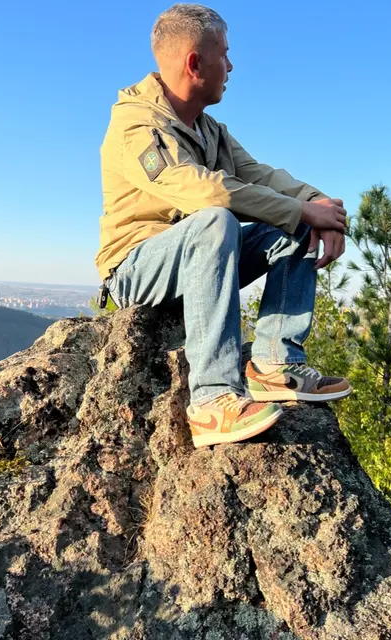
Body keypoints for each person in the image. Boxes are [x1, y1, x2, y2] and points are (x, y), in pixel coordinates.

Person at [95, 4, 352, 448]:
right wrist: (300, 210)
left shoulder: (211, 130)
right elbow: (199, 190)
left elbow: (262, 176)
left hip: (202, 262)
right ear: (195, 63)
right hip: (136, 270)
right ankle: (212, 399)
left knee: (293, 227)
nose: (231, 66)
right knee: (217, 218)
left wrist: (317, 205)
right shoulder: (136, 124)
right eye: (225, 54)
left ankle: (274, 364)